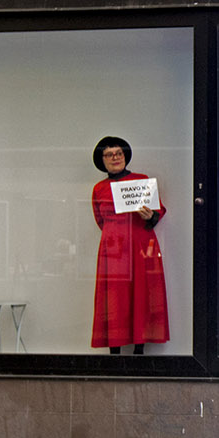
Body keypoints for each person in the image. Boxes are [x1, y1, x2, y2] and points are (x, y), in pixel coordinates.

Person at [91, 136, 169, 353]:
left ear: (125, 156)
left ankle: (139, 350)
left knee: (141, 293)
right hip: (114, 249)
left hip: (140, 246)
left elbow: (158, 212)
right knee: (114, 297)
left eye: (119, 153)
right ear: (102, 160)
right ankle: (114, 351)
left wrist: (149, 216)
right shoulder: (99, 189)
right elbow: (100, 220)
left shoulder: (141, 180)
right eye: (109, 155)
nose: (115, 158)